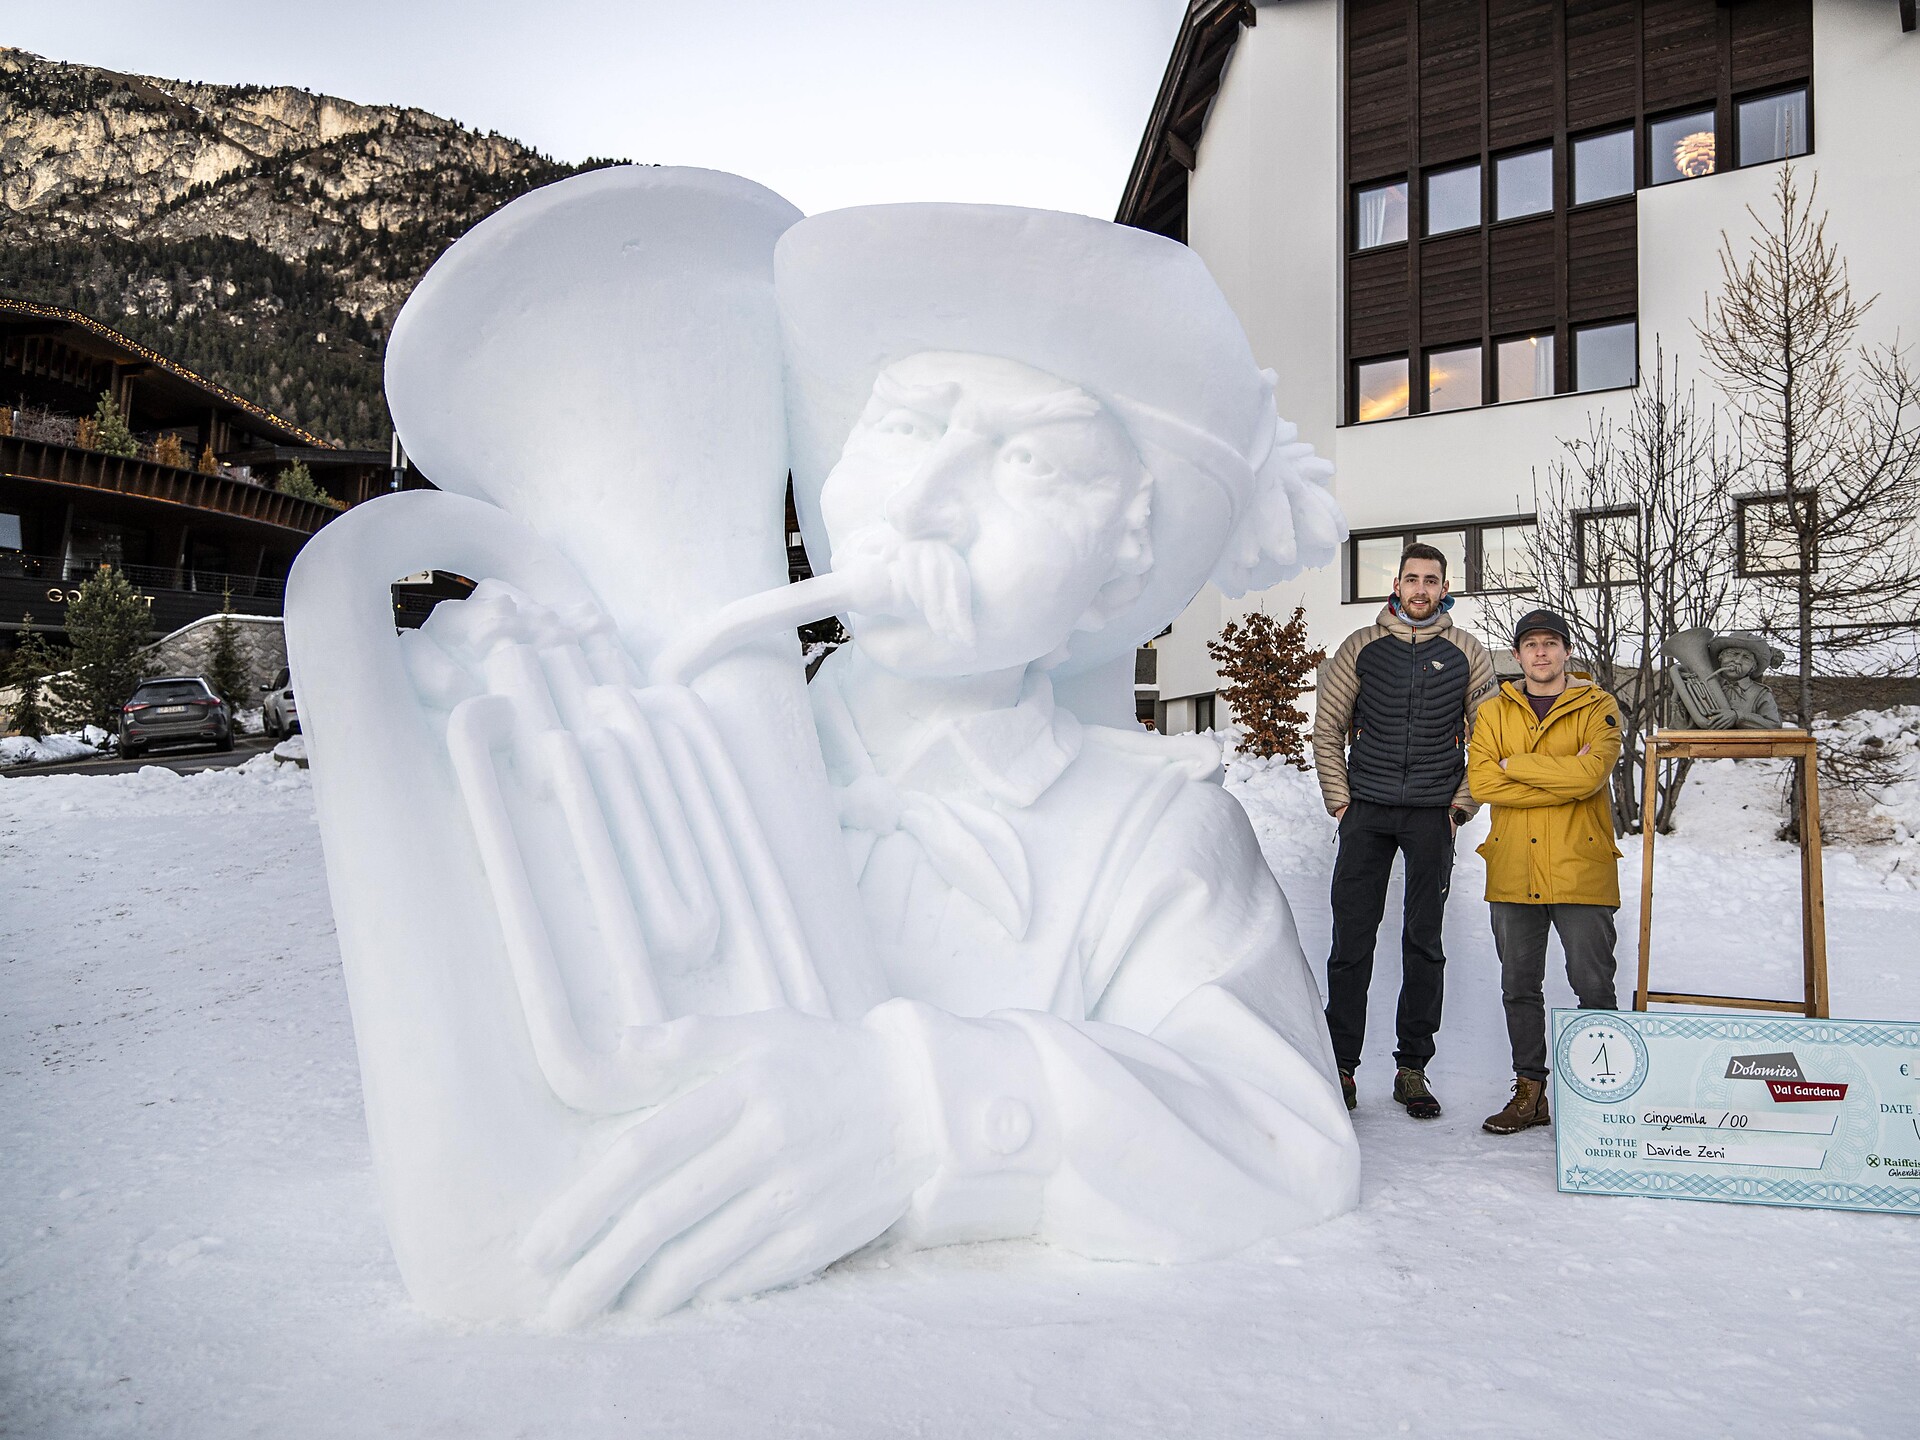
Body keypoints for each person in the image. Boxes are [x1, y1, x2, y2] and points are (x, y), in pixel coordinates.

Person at [1312, 543, 1497, 1118]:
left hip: (1429, 815)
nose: (1420, 589)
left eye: (1431, 581)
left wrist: (1458, 807)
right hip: (1366, 810)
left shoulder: (1469, 653)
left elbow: (1488, 742)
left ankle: (1412, 1068)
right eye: (1411, 579)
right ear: (1395, 583)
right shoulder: (1360, 648)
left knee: (1423, 942)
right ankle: (1341, 1066)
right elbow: (1328, 730)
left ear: (1445, 589)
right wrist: (1342, 805)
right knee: (1352, 942)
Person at [1466, 608, 1623, 1134]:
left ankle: (1605, 1098)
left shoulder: (1598, 706)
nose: (1540, 653)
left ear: (1565, 651)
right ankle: (1530, 1096)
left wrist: (1517, 765)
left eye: (1550, 644)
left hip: (1581, 866)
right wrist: (1557, 773)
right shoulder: (1492, 713)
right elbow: (1484, 784)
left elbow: (1590, 776)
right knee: (1518, 985)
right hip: (1513, 867)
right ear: (1517, 655)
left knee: (1593, 984)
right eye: (1531, 644)